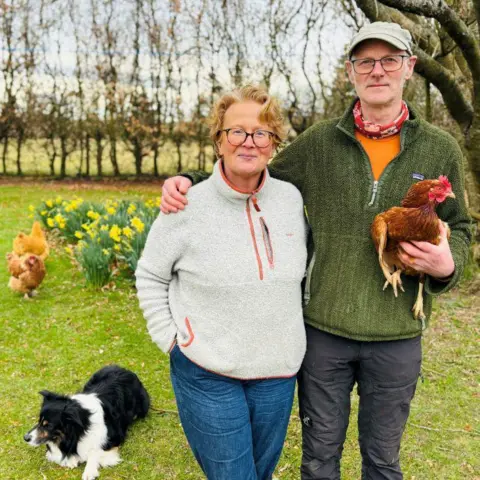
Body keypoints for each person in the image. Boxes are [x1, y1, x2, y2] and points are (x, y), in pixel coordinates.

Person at [159, 22, 472, 479]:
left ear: (410, 67)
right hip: (324, 332)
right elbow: (252, 170)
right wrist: (190, 179)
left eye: (390, 60)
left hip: (397, 335)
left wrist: (447, 264)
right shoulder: (321, 144)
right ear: (351, 73)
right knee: (320, 459)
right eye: (365, 61)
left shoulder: (439, 149)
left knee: (383, 461)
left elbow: (462, 227)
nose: (377, 70)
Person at [135, 85, 308, 480]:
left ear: (273, 143)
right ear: (219, 140)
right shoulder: (185, 206)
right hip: (207, 369)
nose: (248, 142)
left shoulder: (291, 200)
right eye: (236, 131)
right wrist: (172, 341)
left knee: (260, 474)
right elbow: (150, 275)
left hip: (277, 373)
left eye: (261, 133)